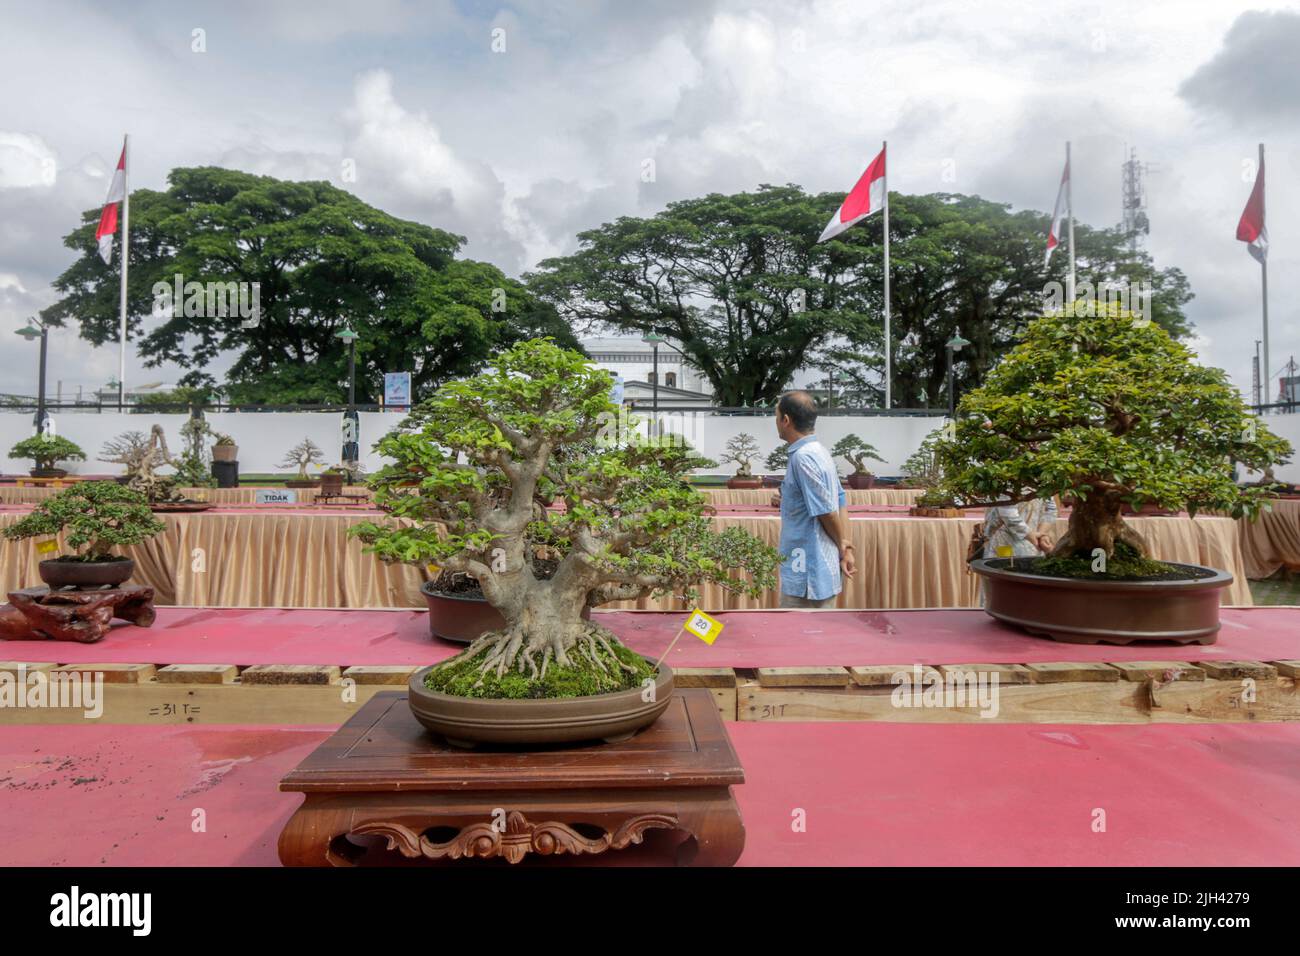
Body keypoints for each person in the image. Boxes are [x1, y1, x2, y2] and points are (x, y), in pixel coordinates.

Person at [770, 391, 855, 608]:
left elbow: (826, 511)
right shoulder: (820, 451)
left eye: (776, 416)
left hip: (807, 569)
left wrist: (843, 546)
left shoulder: (802, 457)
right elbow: (840, 498)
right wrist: (846, 547)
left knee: (797, 635)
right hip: (822, 566)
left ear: (786, 420)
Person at [982, 497, 1058, 559]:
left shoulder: (1044, 481)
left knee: (1029, 573)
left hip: (1032, 542)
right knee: (1003, 570)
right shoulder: (1004, 480)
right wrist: (1034, 535)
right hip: (1003, 540)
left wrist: (1041, 535)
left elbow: (1051, 509)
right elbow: (1007, 513)